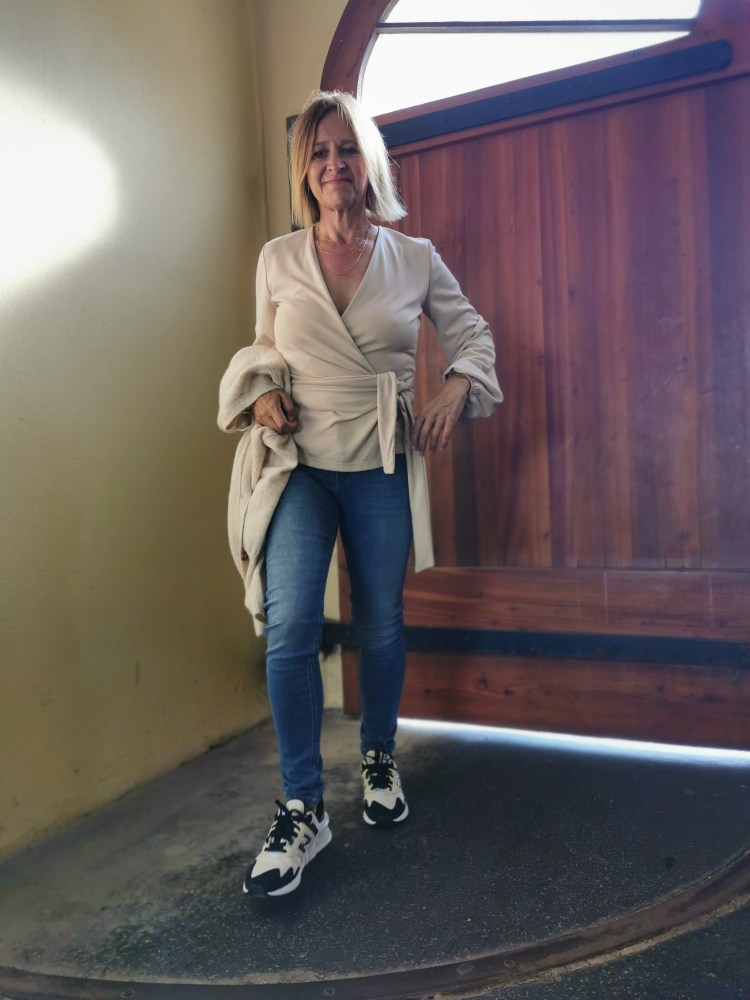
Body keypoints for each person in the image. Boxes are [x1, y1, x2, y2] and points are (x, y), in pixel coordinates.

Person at [218, 90, 502, 898]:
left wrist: (454, 385)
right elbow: (264, 350)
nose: (333, 164)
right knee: (290, 627)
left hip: (380, 459)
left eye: (346, 149)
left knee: (381, 619)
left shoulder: (414, 256)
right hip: (300, 464)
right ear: (303, 170)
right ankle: (302, 806)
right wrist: (264, 395)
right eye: (318, 152)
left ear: (368, 163)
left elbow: (473, 333)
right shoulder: (276, 258)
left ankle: (379, 755)